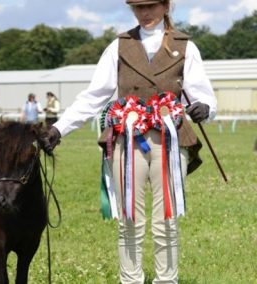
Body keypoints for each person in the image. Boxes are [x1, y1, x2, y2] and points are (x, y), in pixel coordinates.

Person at [41, 0, 217, 283]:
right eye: (138, 8)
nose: (144, 13)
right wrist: (59, 129)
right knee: (129, 221)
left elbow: (203, 94)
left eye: (150, 6)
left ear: (165, 6)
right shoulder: (119, 46)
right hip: (126, 140)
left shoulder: (185, 46)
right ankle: (130, 279)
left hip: (170, 143)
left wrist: (205, 107)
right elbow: (94, 96)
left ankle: (166, 280)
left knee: (167, 220)